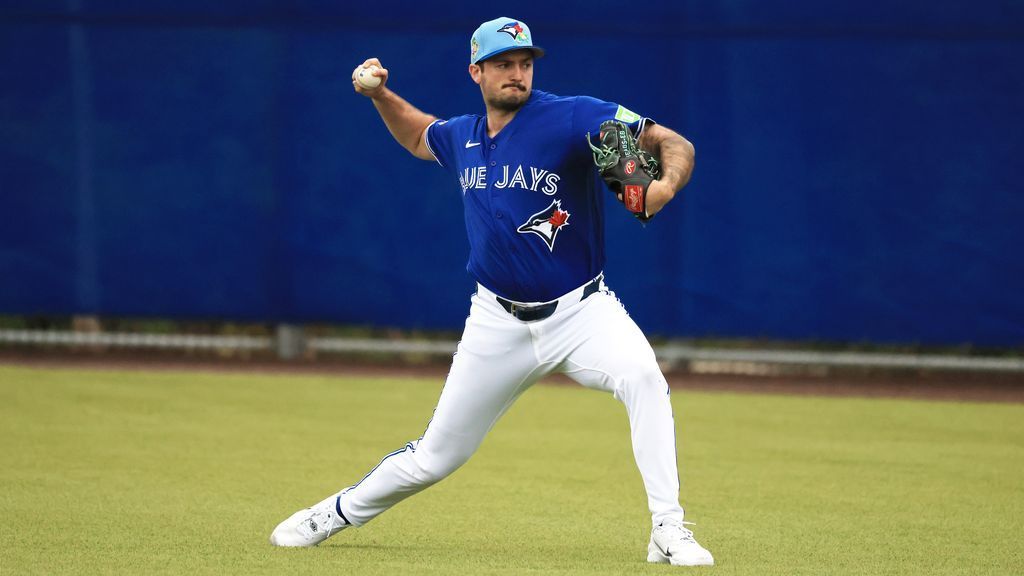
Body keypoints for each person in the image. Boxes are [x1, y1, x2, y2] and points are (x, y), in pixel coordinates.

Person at [269, 17, 713, 567]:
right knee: (435, 457)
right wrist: (381, 94)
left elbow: (670, 140)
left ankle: (668, 529)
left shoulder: (572, 116)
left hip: (583, 313)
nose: (517, 73)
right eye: (504, 63)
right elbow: (416, 134)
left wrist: (664, 183)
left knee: (645, 378)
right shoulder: (463, 135)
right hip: (496, 322)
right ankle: (333, 513)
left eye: (525, 63)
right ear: (476, 71)